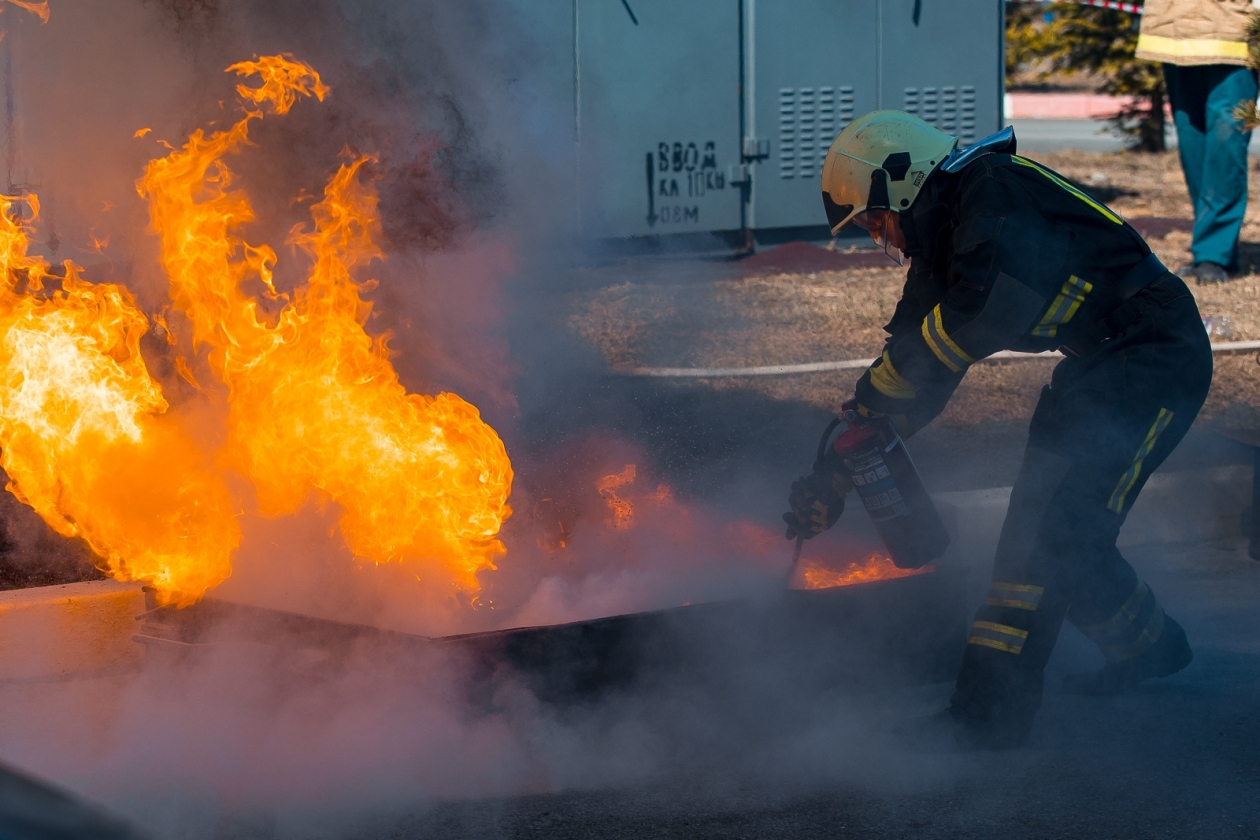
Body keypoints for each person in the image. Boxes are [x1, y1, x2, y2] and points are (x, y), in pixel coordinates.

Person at [784, 111, 1213, 749]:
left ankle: (986, 718)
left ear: (901, 183)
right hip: (1102, 365)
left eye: (878, 222)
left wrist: (887, 384)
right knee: (1067, 532)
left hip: (1152, 360)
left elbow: (982, 314)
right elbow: (914, 367)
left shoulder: (994, 198)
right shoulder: (950, 233)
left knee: (1045, 539)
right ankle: (1148, 646)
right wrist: (838, 474)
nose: (886, 242)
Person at [1136, 0, 1258, 283]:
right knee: (1194, 147)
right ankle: (1213, 245)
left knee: (1225, 146)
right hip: (1173, 31)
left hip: (1234, 32)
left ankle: (1214, 254)